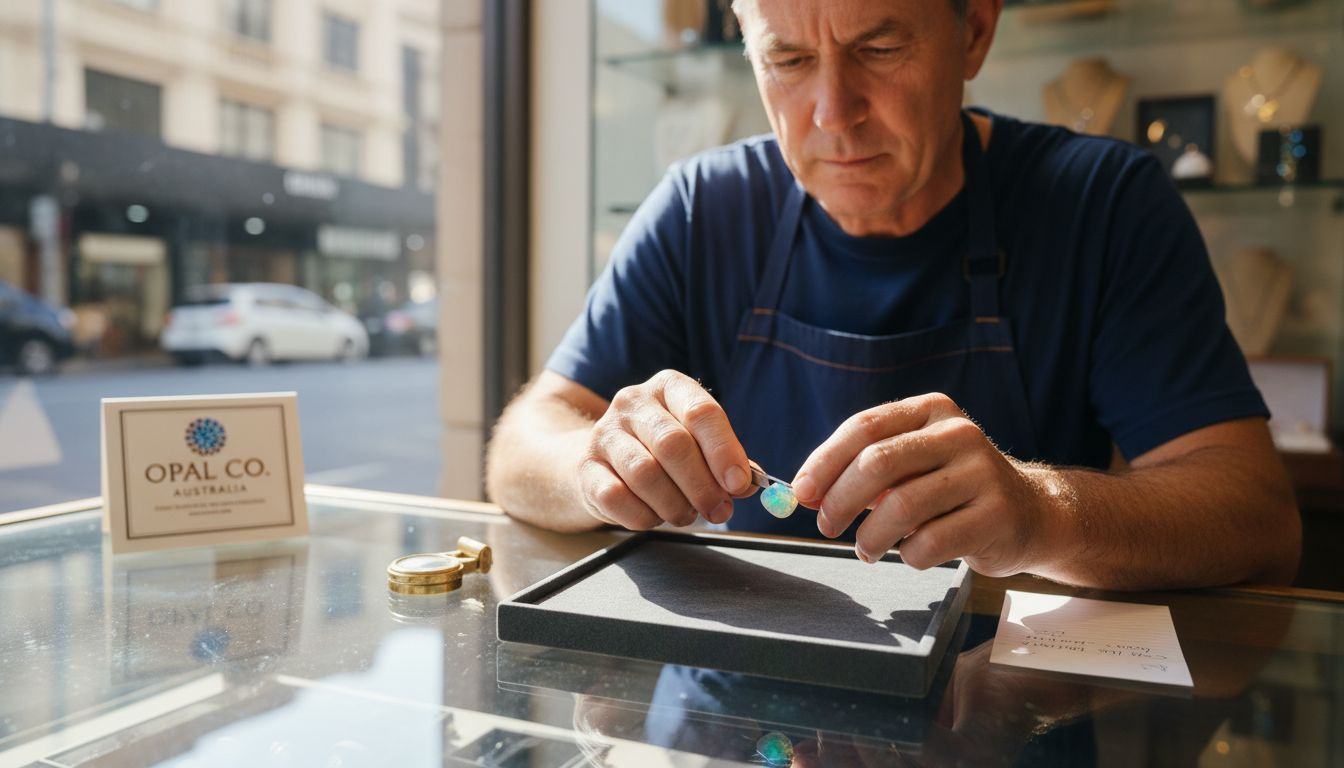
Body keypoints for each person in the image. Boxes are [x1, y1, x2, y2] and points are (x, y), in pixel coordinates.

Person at [485, 0, 1300, 590]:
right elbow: (522, 448)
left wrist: (1040, 513)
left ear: (974, 30)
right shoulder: (705, 207)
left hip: (995, 711)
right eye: (789, 60)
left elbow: (1257, 519)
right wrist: (596, 464)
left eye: (878, 48)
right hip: (733, 719)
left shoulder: (1103, 204)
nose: (834, 115)